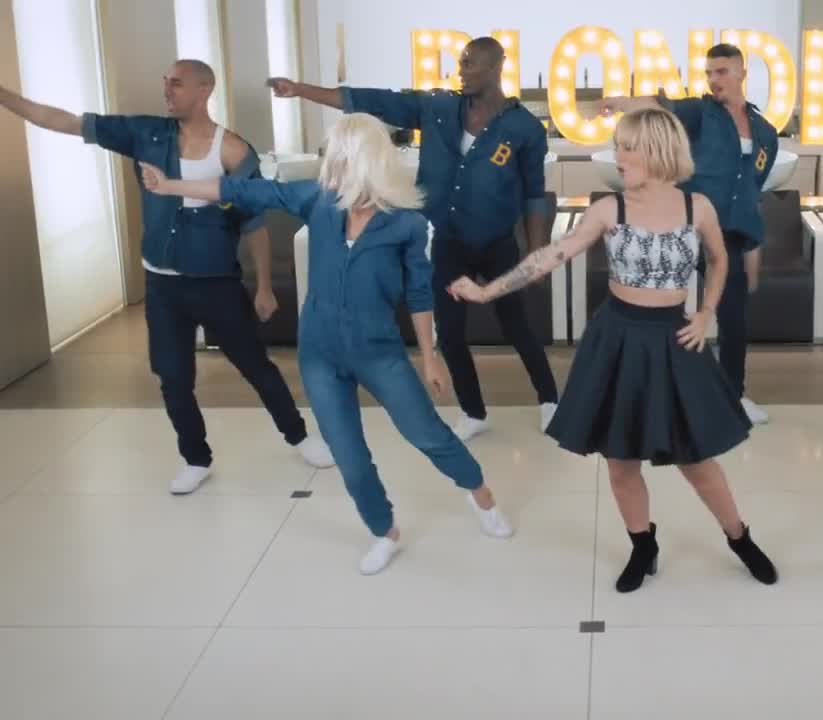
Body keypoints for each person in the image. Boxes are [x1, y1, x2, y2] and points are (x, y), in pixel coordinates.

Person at [141, 113, 514, 575]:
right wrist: (169, 186)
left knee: (427, 434)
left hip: (378, 353)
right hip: (319, 354)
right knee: (349, 457)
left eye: (340, 158)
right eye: (330, 157)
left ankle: (481, 494)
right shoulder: (317, 202)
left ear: (366, 163)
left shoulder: (407, 225)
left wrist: (430, 357)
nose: (331, 167)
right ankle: (384, 531)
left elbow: (420, 295)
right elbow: (243, 190)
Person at [448, 108, 777, 593]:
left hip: (674, 338)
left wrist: (706, 311)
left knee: (697, 460)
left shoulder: (698, 207)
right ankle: (643, 546)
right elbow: (552, 255)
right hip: (619, 337)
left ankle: (739, 538)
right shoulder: (608, 209)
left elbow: (719, 257)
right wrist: (487, 291)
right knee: (622, 462)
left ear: (656, 150)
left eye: (626, 147)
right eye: (617, 146)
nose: (617, 156)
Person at [0, 60, 333, 495]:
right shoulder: (144, 133)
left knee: (255, 366)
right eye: (166, 83)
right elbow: (60, 120)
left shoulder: (233, 151)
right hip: (162, 284)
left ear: (204, 89)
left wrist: (265, 287)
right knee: (173, 376)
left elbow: (254, 223)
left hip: (216, 281)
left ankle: (299, 436)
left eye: (176, 83)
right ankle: (196, 459)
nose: (167, 90)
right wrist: (5, 97)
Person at [265, 37, 558, 442]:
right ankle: (473, 412)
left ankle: (550, 401)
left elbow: (534, 195)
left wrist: (539, 253)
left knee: (518, 326)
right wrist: (300, 90)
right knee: (450, 334)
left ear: (495, 68)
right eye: (461, 62)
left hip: (497, 245)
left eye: (470, 63)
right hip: (449, 243)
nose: (461, 70)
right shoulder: (437, 107)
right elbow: (371, 100)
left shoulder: (524, 128)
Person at [602, 43, 779, 426]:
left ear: (741, 73)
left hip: (729, 237)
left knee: (734, 318)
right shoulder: (700, 113)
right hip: (685, 227)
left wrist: (753, 243)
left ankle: (733, 396)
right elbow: (658, 106)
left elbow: (753, 190)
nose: (714, 79)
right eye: (709, 72)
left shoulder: (766, 132)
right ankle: (651, 393)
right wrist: (621, 103)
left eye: (722, 71)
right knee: (661, 312)